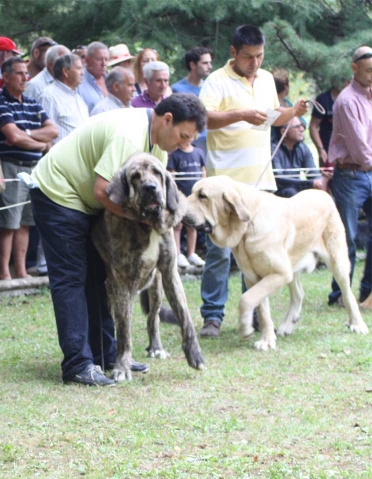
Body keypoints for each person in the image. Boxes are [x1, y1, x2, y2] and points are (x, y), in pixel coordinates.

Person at [29, 94, 206, 386]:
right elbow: (102, 191)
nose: (184, 145)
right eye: (183, 136)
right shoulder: (128, 135)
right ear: (167, 120)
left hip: (87, 201)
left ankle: (108, 355)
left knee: (102, 277)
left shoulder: (158, 147)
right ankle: (77, 365)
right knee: (72, 279)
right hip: (58, 193)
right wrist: (144, 220)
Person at [197, 24, 307, 339]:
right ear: (233, 53)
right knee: (219, 251)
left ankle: (260, 316)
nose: (255, 63)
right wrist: (240, 114)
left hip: (261, 184)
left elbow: (272, 118)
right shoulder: (216, 81)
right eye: (248, 57)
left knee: (261, 252)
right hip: (225, 186)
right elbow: (204, 117)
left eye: (259, 56)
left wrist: (292, 112)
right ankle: (212, 317)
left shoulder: (268, 79)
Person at [0, 57, 58, 280]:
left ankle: (21, 270)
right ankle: (5, 272)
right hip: (11, 167)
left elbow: (53, 131)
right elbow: (12, 136)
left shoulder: (32, 104)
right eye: (19, 73)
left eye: (25, 73)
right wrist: (40, 142)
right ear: (6, 77)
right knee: (8, 222)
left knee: (26, 222)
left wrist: (25, 135)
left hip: (34, 168)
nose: (24, 77)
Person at [327, 46, 372, 307]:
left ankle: (367, 291)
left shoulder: (369, 97)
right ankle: (340, 294)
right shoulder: (346, 101)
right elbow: (360, 149)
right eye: (368, 71)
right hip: (350, 175)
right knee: (347, 238)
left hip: (368, 172)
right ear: (354, 69)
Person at [167, 136, 206, 268]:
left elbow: (203, 171)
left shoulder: (199, 152)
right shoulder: (174, 155)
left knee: (192, 226)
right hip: (180, 197)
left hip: (194, 198)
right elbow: (172, 176)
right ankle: (177, 254)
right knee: (177, 226)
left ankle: (191, 253)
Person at [38, 54, 88, 144]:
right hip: (61, 156)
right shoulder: (48, 96)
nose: (82, 73)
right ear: (65, 71)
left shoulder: (78, 98)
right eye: (79, 68)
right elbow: (45, 134)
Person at [272, 117, 326, 198]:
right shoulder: (273, 149)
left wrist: (320, 182)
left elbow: (313, 174)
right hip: (279, 193)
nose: (301, 129)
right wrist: (310, 184)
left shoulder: (303, 148)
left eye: (302, 126)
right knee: (290, 192)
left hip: (297, 188)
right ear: (283, 132)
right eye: (297, 127)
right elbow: (279, 179)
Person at [172, 47, 212, 152]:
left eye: (210, 62)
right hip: (189, 142)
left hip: (211, 140)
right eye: (205, 63)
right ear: (193, 65)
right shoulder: (177, 89)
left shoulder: (211, 87)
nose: (210, 66)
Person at [309, 79, 346, 167]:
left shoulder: (353, 99)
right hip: (327, 149)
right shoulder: (323, 99)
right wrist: (320, 149)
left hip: (348, 151)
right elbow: (313, 126)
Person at [77, 41, 109, 113]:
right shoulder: (78, 83)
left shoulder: (112, 80)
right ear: (87, 60)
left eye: (106, 59)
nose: (103, 64)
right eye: (99, 59)